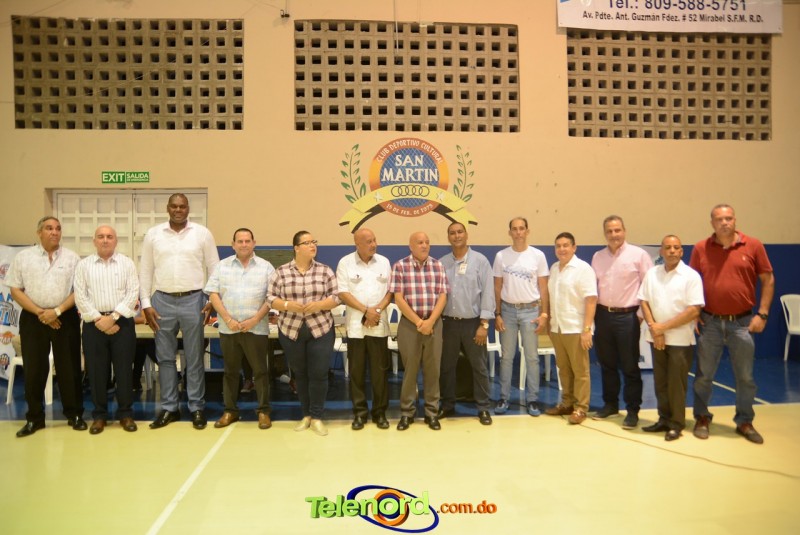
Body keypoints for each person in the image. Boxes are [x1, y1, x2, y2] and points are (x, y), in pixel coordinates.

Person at [690, 204, 774, 444]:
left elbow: (768, 279)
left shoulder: (753, 245)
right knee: (704, 376)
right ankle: (702, 417)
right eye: (719, 219)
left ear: (735, 220)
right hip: (710, 322)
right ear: (712, 223)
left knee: (745, 377)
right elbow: (691, 282)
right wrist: (695, 313)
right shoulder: (700, 248)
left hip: (743, 323)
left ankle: (745, 421)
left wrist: (763, 314)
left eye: (728, 218)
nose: (724, 222)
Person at [139, 193, 219, 430]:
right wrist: (146, 303)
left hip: (194, 300)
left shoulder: (202, 233)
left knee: (194, 358)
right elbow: (145, 270)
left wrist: (212, 299)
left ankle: (196, 408)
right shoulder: (154, 234)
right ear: (168, 208)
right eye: (174, 206)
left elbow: (215, 268)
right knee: (165, 358)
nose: (178, 210)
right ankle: (169, 408)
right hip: (161, 301)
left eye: (182, 206)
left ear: (188, 209)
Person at [8, 216, 85, 437]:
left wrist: (56, 311)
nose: (54, 232)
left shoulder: (72, 258)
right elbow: (15, 289)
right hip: (34, 318)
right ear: (39, 232)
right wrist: (40, 312)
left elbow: (78, 291)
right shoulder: (24, 258)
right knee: (34, 370)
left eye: (58, 228)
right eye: (49, 228)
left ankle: (74, 414)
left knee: (69, 368)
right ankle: (34, 418)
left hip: (64, 317)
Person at [267, 231, 339, 436]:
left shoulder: (325, 271)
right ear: (296, 248)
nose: (312, 245)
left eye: (313, 242)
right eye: (307, 243)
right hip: (291, 330)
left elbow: (336, 297)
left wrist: (319, 305)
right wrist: (288, 305)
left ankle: (317, 416)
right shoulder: (281, 272)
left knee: (319, 373)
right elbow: (270, 298)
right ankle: (306, 415)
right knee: (300, 374)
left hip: (321, 329)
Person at [205, 228, 275, 430]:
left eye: (247, 241)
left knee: (260, 372)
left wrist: (255, 319)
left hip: (257, 328)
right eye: (240, 241)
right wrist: (227, 319)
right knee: (230, 372)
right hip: (229, 328)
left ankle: (263, 411)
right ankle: (230, 411)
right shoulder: (222, 266)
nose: (244, 244)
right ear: (233, 244)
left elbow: (271, 297)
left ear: (254, 243)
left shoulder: (266, 267)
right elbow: (213, 294)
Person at [73, 225, 140, 434]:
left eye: (109, 236)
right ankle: (99, 416)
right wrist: (98, 319)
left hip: (122, 322)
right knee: (96, 372)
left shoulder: (127, 264)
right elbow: (80, 296)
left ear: (116, 241)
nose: (105, 240)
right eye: (101, 236)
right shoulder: (84, 265)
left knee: (124, 371)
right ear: (94, 241)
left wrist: (113, 318)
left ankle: (125, 414)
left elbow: (133, 293)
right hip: (93, 324)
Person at [638, 235, 704, 441]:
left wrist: (662, 328)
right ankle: (664, 419)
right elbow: (644, 302)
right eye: (668, 247)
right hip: (656, 337)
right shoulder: (652, 274)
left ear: (682, 251)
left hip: (680, 340)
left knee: (676, 384)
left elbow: (694, 310)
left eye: (676, 247)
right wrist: (655, 329)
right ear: (661, 251)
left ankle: (676, 423)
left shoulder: (691, 276)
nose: (672, 251)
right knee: (660, 382)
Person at [591, 215, 653, 429]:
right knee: (607, 364)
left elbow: (648, 286)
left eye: (617, 230)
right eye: (609, 231)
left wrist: (641, 315)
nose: (614, 234)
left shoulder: (639, 255)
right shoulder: (598, 257)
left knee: (629, 366)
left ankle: (633, 410)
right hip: (603, 315)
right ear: (605, 234)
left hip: (628, 317)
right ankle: (610, 405)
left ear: (624, 231)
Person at [389, 231, 449, 431]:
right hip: (409, 325)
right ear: (411, 246)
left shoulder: (438, 266)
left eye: (427, 242)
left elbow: (443, 296)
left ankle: (432, 413)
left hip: (434, 325)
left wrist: (430, 321)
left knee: (433, 371)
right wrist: (419, 322)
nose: (424, 245)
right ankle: (407, 413)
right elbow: (399, 299)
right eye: (420, 242)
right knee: (410, 371)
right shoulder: (400, 266)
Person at [336, 228, 393, 430]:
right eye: (368, 241)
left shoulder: (384, 262)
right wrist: (365, 311)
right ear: (357, 244)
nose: (373, 244)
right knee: (357, 373)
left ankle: (380, 413)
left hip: (378, 325)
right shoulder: (345, 263)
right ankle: (359, 413)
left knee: (380, 373)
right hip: (356, 328)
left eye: (374, 240)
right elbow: (343, 292)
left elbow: (390, 292)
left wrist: (375, 311)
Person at [493, 217, 550, 416]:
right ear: (510, 232)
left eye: (521, 228)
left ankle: (532, 400)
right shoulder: (501, 256)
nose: (518, 232)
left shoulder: (538, 256)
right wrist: (497, 313)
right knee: (506, 357)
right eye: (514, 229)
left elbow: (544, 288)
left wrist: (544, 313)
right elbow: (497, 287)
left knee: (532, 357)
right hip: (507, 311)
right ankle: (504, 397)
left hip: (530, 311)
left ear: (527, 231)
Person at [439, 222, 494, 425]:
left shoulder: (480, 261)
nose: (457, 236)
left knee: (479, 367)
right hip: (449, 324)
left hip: (474, 324)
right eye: (452, 233)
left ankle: (483, 407)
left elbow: (488, 293)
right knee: (446, 367)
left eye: (460, 232)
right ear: (448, 237)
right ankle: (447, 404)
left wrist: (484, 324)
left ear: (466, 234)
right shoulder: (442, 263)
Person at [545, 232, 597, 425]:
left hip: (576, 328)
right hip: (558, 328)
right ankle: (567, 403)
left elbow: (591, 300)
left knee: (580, 371)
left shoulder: (583, 269)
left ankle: (581, 408)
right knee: (564, 369)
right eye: (558, 246)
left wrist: (587, 329)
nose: (562, 249)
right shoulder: (554, 268)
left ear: (574, 247)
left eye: (566, 245)